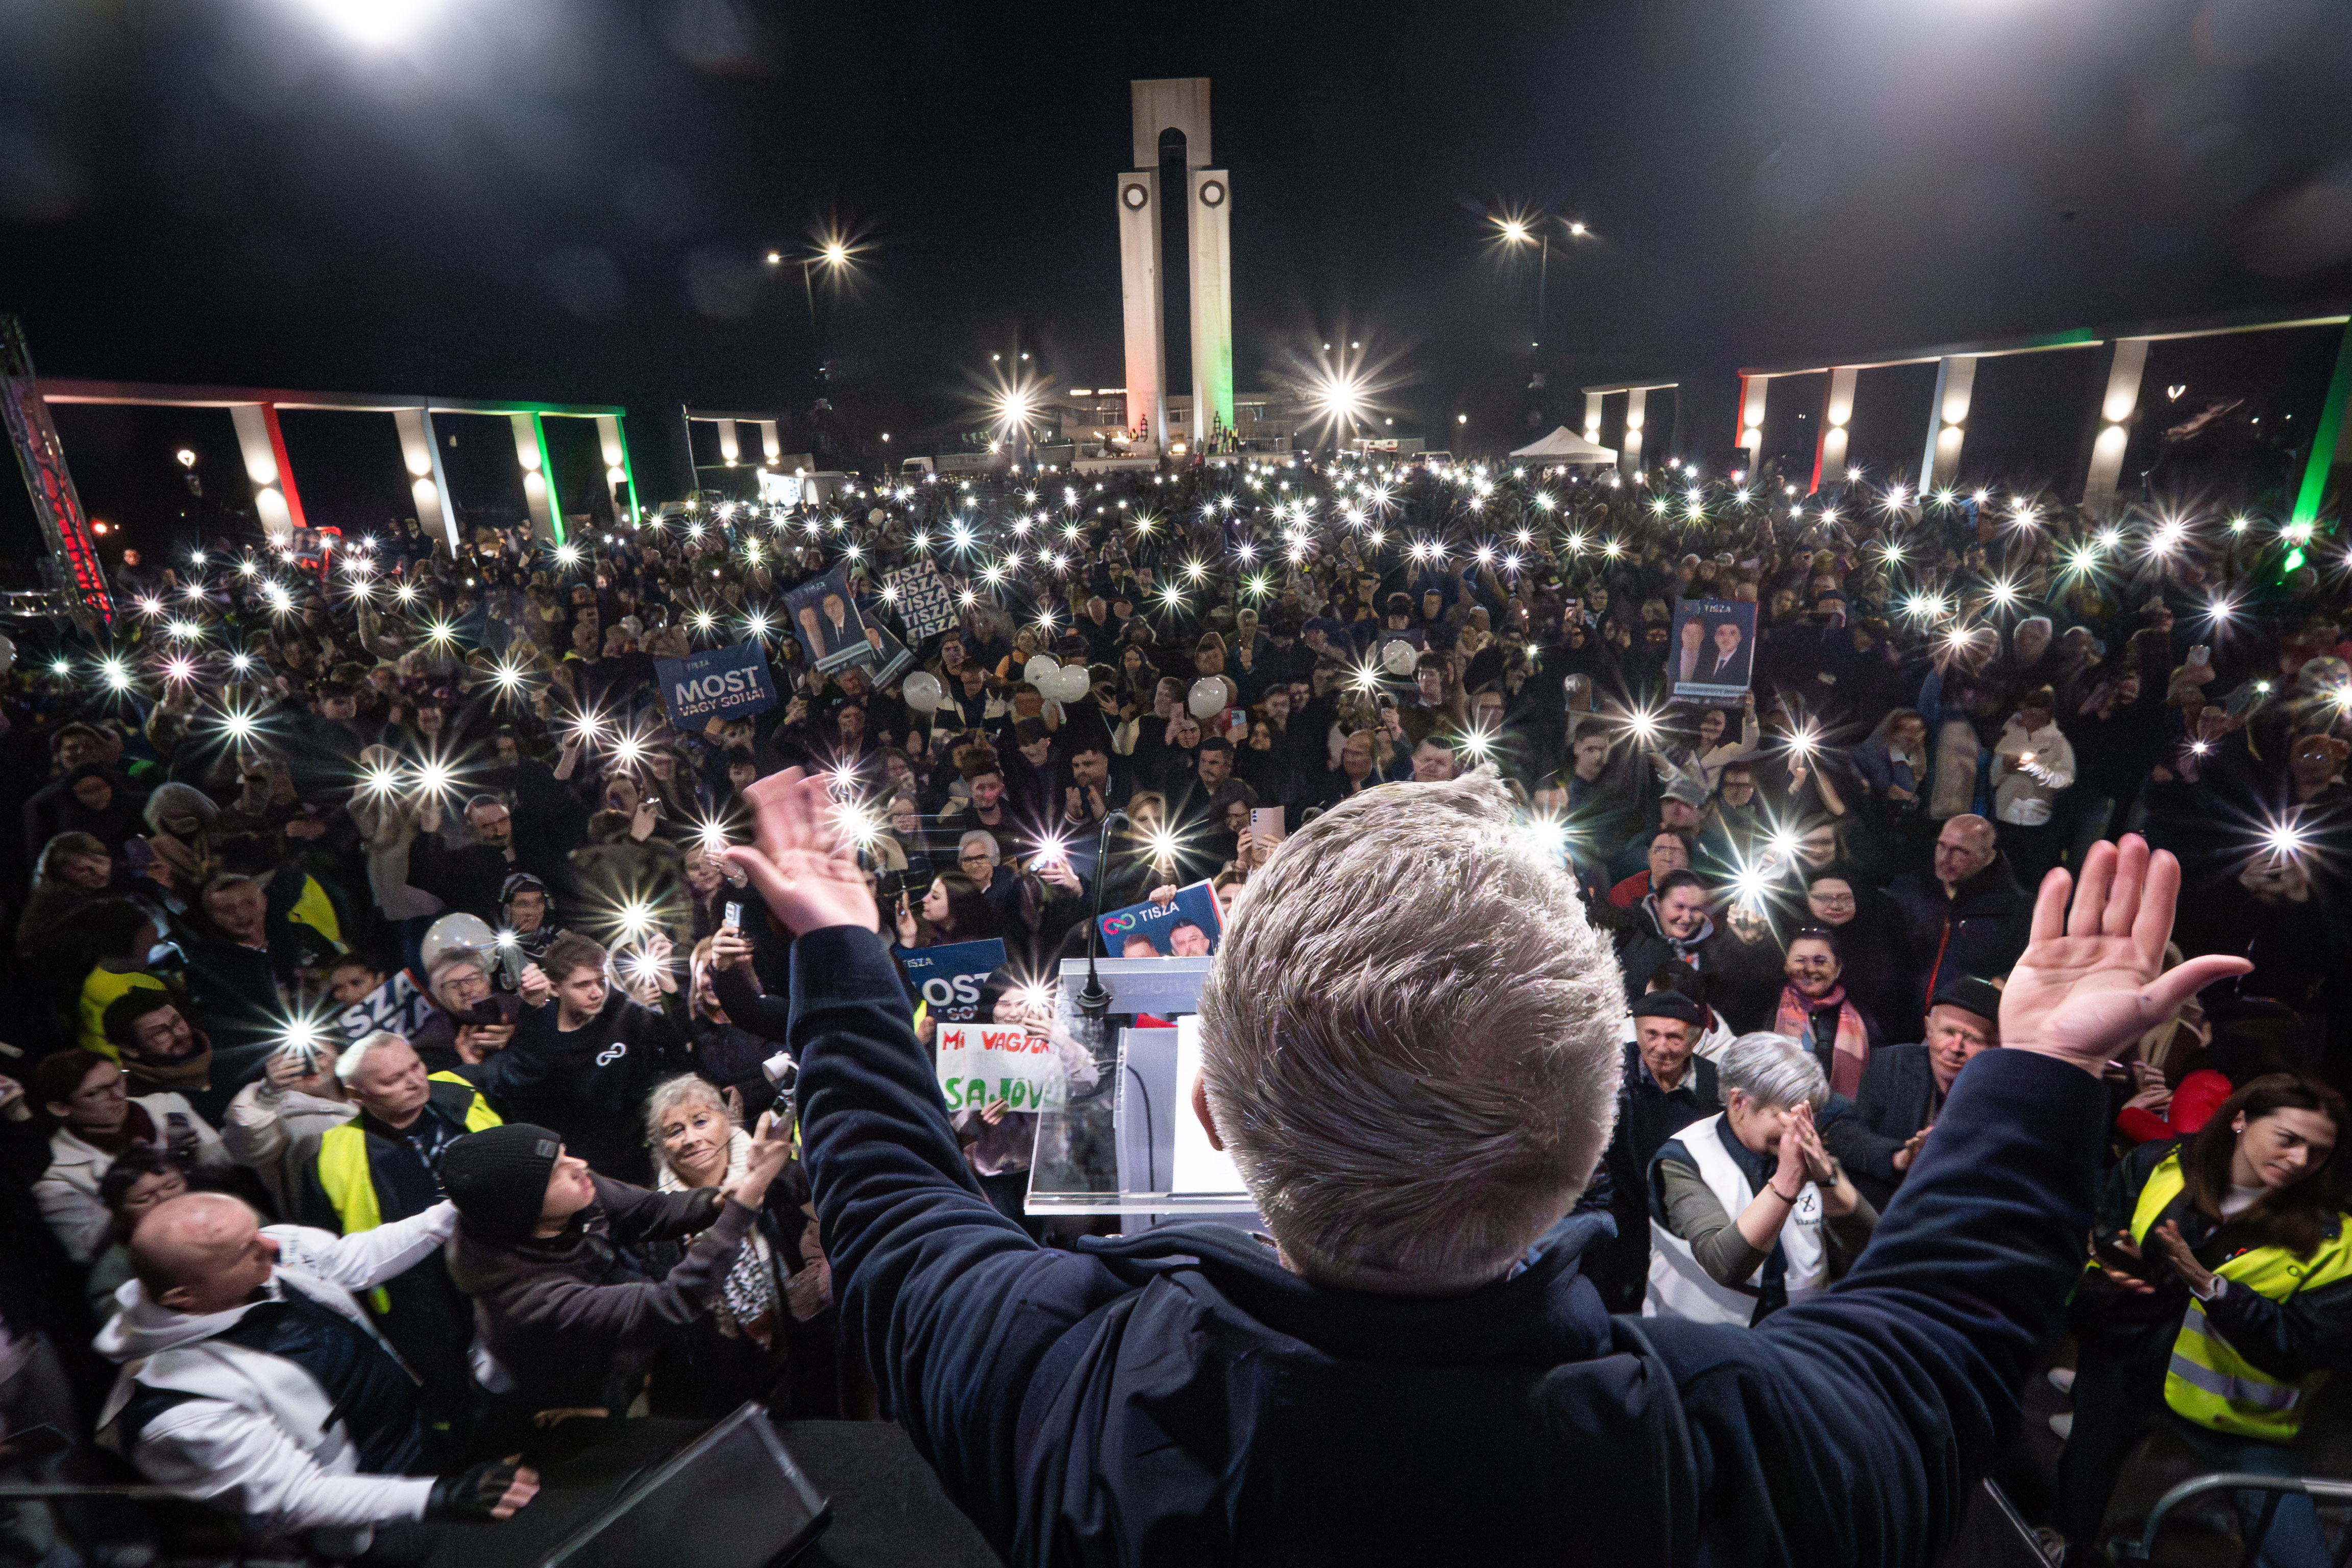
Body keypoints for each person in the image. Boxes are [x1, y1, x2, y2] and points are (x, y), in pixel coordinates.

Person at [720, 765, 2244, 1564]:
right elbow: (1945, 1331)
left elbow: (898, 1219)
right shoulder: (1735, 1451)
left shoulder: (1074, 1396)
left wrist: (843, 956)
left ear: (1211, 1116)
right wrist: (2039, 1075)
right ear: (1589, 1136)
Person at [92, 1192, 538, 1553]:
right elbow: (297, 1497)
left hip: (425, 1438)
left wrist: (456, 1208)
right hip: (376, 1518)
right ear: (183, 1298)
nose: (271, 1246)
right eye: (247, 1250)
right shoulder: (181, 1406)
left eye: (256, 1232)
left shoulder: (254, 1257)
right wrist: (437, 1497)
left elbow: (353, 1260)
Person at [2056, 1075, 2352, 1567]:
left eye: (2319, 1152)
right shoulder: (2160, 1165)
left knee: (2297, 1555)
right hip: (2123, 1373)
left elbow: (2305, 1346)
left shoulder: (2335, 1241)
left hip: (2234, 1416)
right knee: (2080, 1502)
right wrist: (2115, 1270)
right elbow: (2101, 1235)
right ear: (2241, 1120)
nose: (2300, 1160)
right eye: (2288, 1139)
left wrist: (2215, 1291)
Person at [440, 1119, 791, 1424]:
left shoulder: (573, 1193)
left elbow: (654, 1211)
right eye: (558, 1171)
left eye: (565, 1154)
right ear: (524, 1209)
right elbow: (672, 1302)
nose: (580, 1165)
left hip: (643, 1350)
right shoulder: (527, 1299)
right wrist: (744, 1203)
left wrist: (718, 1201)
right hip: (596, 1402)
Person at [292, 1032, 501, 1450]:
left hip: (505, 1258)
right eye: (392, 1080)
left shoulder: (460, 1093)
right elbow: (331, 1252)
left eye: (415, 1066)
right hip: (420, 1295)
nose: (415, 1081)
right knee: (462, 1395)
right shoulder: (332, 1154)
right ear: (357, 1094)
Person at [1645, 1032, 1877, 1326]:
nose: (1799, 1128)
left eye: (1808, 1114)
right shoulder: (1683, 1158)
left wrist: (1827, 1177)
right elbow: (1724, 1266)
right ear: (1739, 1102)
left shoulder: (1801, 1144)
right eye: (1786, 1115)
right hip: (1700, 1337)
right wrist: (1787, 1181)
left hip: (1797, 1331)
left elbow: (1873, 1242)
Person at [500, 932, 689, 1185]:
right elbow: (521, 1101)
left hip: (643, 1160)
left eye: (601, 981)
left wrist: (669, 987)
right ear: (554, 988)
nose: (596, 993)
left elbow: (681, 1053)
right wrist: (534, 1011)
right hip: (585, 1172)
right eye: (582, 985)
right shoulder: (541, 1040)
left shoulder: (625, 1015)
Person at [34, 1050, 231, 1264]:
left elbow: (230, 1167)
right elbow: (86, 1250)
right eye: (93, 1094)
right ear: (60, 1108)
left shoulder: (167, 1106)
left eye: (118, 1081)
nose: (119, 1095)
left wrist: (198, 1154)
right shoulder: (57, 1173)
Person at [1824, 975, 2003, 1211]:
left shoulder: (2002, 1093)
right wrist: (1900, 1157)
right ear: (1929, 1028)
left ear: (1996, 1045)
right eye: (1948, 1032)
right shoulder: (1892, 1064)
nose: (1956, 1048)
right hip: (1888, 1209)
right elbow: (1842, 1133)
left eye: (1972, 1039)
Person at [1590, 991, 1721, 1313]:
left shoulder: (1713, 1083)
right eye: (1652, 1034)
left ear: (1695, 1040)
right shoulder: (1608, 1070)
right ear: (1637, 1032)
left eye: (1674, 1037)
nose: (1662, 1047)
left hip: (1684, 1214)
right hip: (1616, 1211)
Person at [1884, 813, 2032, 1040]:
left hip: (1963, 1032)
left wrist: (2002, 983)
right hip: (1901, 1024)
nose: (1946, 858)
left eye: (1960, 851)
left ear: (1988, 856)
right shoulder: (1909, 891)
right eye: (1941, 846)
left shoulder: (2015, 908)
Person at [1770, 928, 1880, 1097]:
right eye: (1800, 961)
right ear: (1786, 965)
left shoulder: (1862, 1016)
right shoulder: (1769, 1006)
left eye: (1820, 961)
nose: (1809, 969)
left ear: (1838, 968)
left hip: (1844, 1110)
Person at [1611, 869, 1715, 1002]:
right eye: (1679, 907)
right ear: (1657, 902)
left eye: (1695, 909)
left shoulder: (1710, 949)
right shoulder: (1628, 937)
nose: (1687, 918)